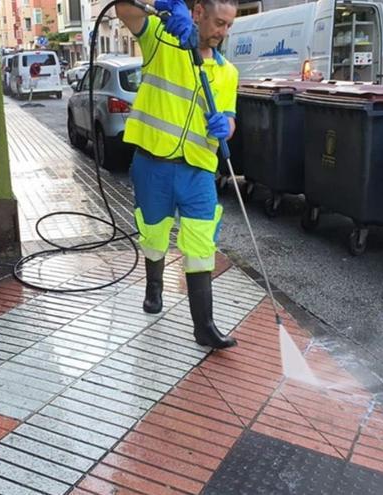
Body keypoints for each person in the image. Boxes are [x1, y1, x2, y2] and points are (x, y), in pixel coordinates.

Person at [115, 0, 239, 349]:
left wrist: (225, 126)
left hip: (198, 170)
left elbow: (229, 118)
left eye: (228, 26)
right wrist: (166, 5)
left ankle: (205, 326)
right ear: (197, 12)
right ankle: (154, 285)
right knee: (154, 235)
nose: (222, 32)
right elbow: (125, 9)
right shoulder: (159, 40)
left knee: (201, 244)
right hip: (152, 163)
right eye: (218, 22)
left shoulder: (227, 72)